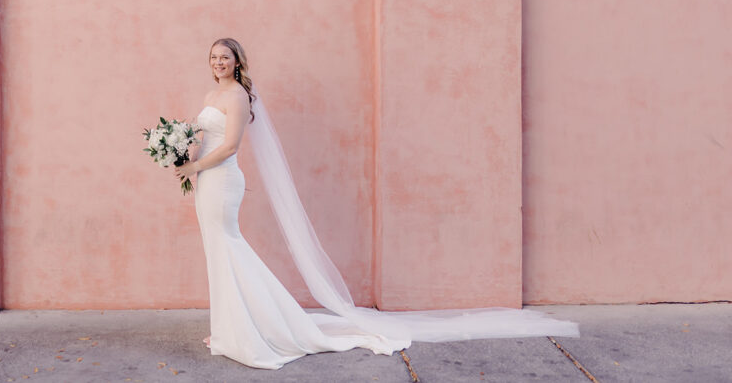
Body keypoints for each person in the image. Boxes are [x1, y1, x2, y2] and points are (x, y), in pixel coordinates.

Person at [175, 37, 578, 370]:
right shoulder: (213, 93)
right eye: (213, 57)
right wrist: (178, 148)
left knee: (229, 247)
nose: (218, 62)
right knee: (217, 250)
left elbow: (229, 146)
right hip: (206, 178)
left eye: (224, 57)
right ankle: (228, 327)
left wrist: (192, 167)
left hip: (221, 179)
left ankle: (252, 329)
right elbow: (204, 134)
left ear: (237, 61)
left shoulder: (240, 97)